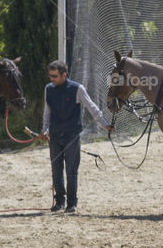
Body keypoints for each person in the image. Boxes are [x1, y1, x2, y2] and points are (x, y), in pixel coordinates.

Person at [38, 60, 111, 214]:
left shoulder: (78, 89)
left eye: (54, 76)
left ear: (64, 75)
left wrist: (104, 124)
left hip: (72, 135)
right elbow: (47, 112)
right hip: (55, 136)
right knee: (56, 170)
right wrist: (44, 130)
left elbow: (92, 107)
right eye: (50, 75)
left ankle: (72, 203)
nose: (51, 78)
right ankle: (59, 202)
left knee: (71, 171)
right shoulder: (48, 89)